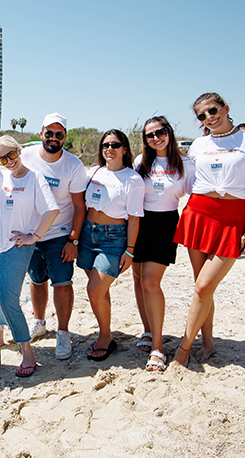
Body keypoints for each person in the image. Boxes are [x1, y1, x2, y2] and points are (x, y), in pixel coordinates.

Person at [171, 92, 245, 370]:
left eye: (212, 110)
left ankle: (183, 349)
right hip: (198, 214)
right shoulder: (199, 144)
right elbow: (188, 178)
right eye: (201, 115)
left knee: (204, 286)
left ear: (225, 108)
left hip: (233, 219)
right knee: (202, 288)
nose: (209, 118)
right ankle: (208, 344)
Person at [20, 113, 88, 360]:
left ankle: (63, 332)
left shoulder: (73, 165)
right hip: (30, 233)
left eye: (59, 134)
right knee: (36, 280)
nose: (53, 138)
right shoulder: (25, 156)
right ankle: (39, 322)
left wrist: (73, 240)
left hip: (59, 233)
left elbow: (79, 207)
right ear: (41, 134)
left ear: (65, 137)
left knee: (62, 283)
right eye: (49, 133)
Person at [0, 135, 59, 378]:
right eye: (2, 159)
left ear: (19, 151)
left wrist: (34, 236)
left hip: (17, 246)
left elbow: (52, 210)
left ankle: (27, 352)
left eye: (12, 155)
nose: (9, 162)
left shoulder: (35, 177)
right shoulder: (1, 176)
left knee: (8, 298)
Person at [131, 117, 194, 372]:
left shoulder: (185, 164)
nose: (156, 138)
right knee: (138, 278)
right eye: (150, 135)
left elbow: (198, 195)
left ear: (169, 132)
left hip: (166, 224)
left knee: (150, 280)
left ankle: (158, 347)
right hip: (138, 223)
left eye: (160, 132)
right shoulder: (140, 162)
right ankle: (147, 330)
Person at [78, 130, 144, 362]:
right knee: (100, 291)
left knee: (94, 290)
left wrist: (130, 250)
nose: (109, 149)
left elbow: (134, 218)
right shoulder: (94, 172)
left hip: (113, 238)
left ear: (124, 148)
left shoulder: (133, 179)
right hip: (88, 234)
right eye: (105, 145)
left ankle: (105, 336)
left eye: (115, 145)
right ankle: (105, 331)